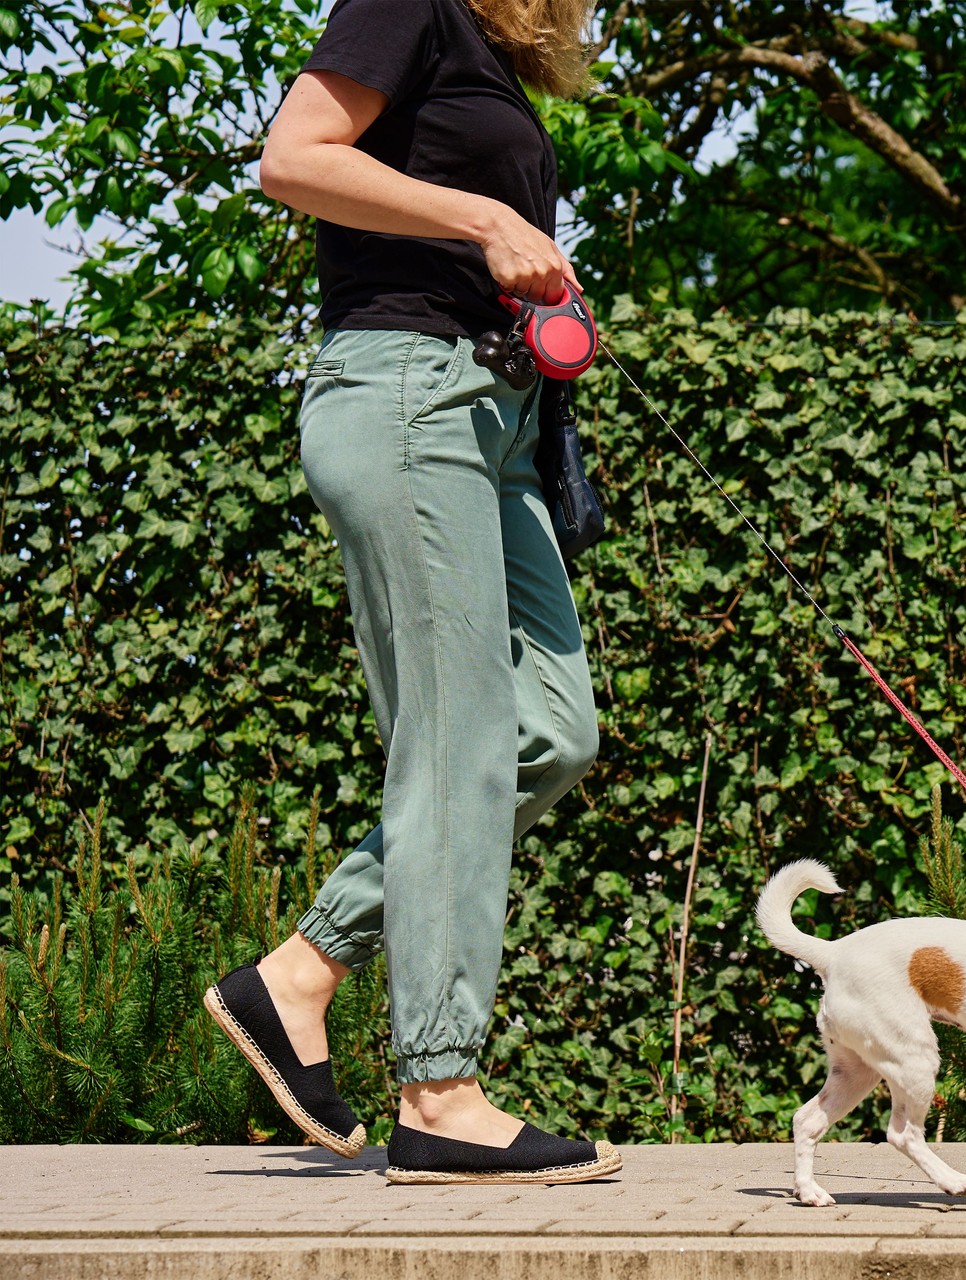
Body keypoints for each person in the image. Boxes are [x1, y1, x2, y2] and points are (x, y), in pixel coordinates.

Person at [200, 0, 618, 1185]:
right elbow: (295, 157)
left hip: (497, 419)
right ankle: (439, 1089)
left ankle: (301, 968)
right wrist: (486, 214)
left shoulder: (496, 60)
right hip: (405, 393)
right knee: (456, 740)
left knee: (549, 728)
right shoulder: (409, 1)